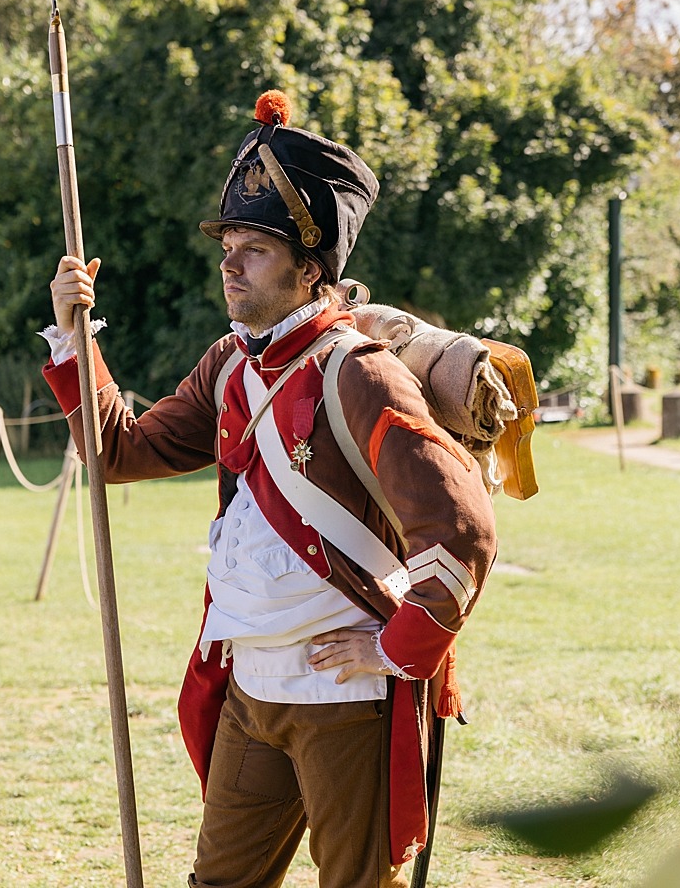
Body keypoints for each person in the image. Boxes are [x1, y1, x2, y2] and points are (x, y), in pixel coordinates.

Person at [41, 90, 497, 888]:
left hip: (345, 696)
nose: (230, 262)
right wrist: (72, 334)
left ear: (311, 269)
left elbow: (461, 534)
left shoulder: (359, 374)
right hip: (252, 684)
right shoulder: (230, 363)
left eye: (254, 248)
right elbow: (120, 451)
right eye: (230, 246)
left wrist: (395, 650)